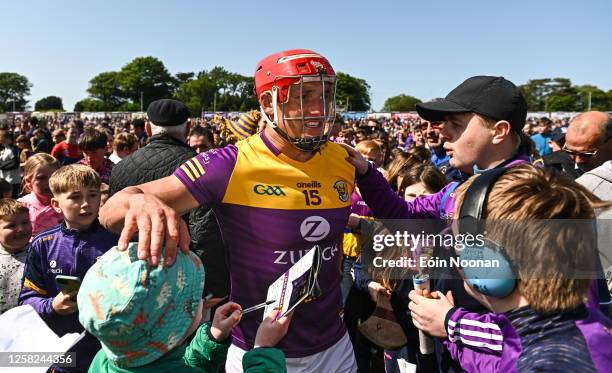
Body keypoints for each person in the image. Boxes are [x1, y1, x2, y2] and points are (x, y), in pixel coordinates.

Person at [100, 49, 358, 373]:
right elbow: (110, 212)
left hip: (336, 346)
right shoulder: (230, 164)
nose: (319, 109)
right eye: (304, 97)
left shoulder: (344, 159)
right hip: (258, 351)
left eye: (325, 95)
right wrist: (141, 202)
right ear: (268, 104)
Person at [343, 75, 531, 372]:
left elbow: (548, 328)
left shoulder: (536, 202)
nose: (442, 135)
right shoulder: (462, 191)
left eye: (456, 126)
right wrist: (366, 172)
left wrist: (451, 322)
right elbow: (402, 214)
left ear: (500, 131)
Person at [408, 165, 612, 372]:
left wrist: (451, 324)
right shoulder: (561, 332)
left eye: (456, 244)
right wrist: (449, 332)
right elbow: (503, 361)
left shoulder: (551, 363)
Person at [78, 243, 290, 372]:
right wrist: (264, 350)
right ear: (173, 330)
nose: (201, 299)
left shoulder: (104, 361)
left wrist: (213, 337)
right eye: (194, 296)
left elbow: (173, 367)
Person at [109, 99, 229, 301]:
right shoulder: (199, 166)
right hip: (181, 278)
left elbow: (116, 223)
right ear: (189, 128)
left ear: (148, 127)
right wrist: (214, 287)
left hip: (132, 276)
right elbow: (204, 232)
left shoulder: (122, 167)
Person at [19, 164, 118, 371]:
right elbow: (28, 299)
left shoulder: (116, 241)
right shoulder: (43, 244)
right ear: (56, 204)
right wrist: (53, 306)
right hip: (62, 353)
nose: (86, 204)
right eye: (75, 197)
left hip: (108, 353)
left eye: (92, 195)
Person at [18, 154, 62, 236]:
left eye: (54, 176)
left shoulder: (65, 203)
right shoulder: (21, 206)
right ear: (28, 181)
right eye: (41, 178)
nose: (49, 182)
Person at [0, 199, 31, 314]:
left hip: (33, 320)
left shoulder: (39, 253)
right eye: (11, 225)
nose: (21, 229)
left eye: (25, 223)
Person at [0, 129, 21, 198]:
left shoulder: (13, 149)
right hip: (5, 181)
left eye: (0, 136)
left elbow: (15, 163)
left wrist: (1, 165)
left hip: (12, 181)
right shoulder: (5, 149)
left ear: (7, 138)